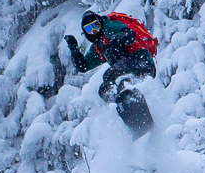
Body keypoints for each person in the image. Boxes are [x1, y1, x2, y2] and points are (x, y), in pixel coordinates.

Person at [65, 10, 156, 138]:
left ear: (100, 22)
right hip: (127, 68)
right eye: (89, 29)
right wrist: (74, 50)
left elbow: (129, 34)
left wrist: (118, 39)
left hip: (141, 61)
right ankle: (133, 119)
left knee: (111, 75)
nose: (94, 31)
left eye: (95, 25)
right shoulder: (99, 46)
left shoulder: (110, 27)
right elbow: (83, 66)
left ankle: (133, 100)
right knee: (104, 89)